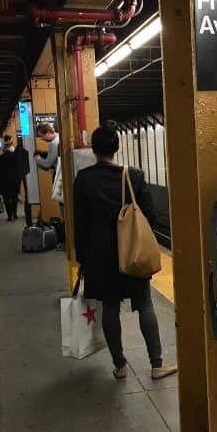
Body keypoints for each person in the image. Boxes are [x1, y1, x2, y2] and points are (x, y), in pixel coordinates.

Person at [73, 120, 177, 381]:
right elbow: (149, 216)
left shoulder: (83, 179)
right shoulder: (133, 175)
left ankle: (119, 365)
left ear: (94, 150)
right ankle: (156, 365)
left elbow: (79, 222)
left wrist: (82, 258)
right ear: (117, 148)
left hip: (99, 254)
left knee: (110, 307)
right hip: (131, 251)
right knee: (143, 303)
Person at [0, 138, 20, 221]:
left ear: (4, 149)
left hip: (3, 181)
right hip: (14, 180)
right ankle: (15, 214)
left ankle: (9, 215)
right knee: (14, 197)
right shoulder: (15, 157)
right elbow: (18, 168)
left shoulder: (0, 158)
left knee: (6, 198)